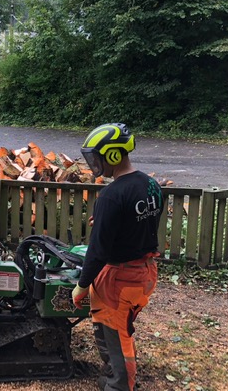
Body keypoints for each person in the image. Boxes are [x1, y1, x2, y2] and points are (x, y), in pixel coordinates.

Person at [72, 123, 164, 391]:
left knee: (117, 337)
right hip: (145, 272)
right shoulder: (150, 184)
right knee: (120, 328)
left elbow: (98, 250)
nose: (94, 163)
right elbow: (140, 224)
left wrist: (81, 286)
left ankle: (119, 385)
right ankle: (113, 374)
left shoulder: (111, 195)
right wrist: (104, 221)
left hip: (120, 278)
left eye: (97, 157)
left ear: (113, 155)